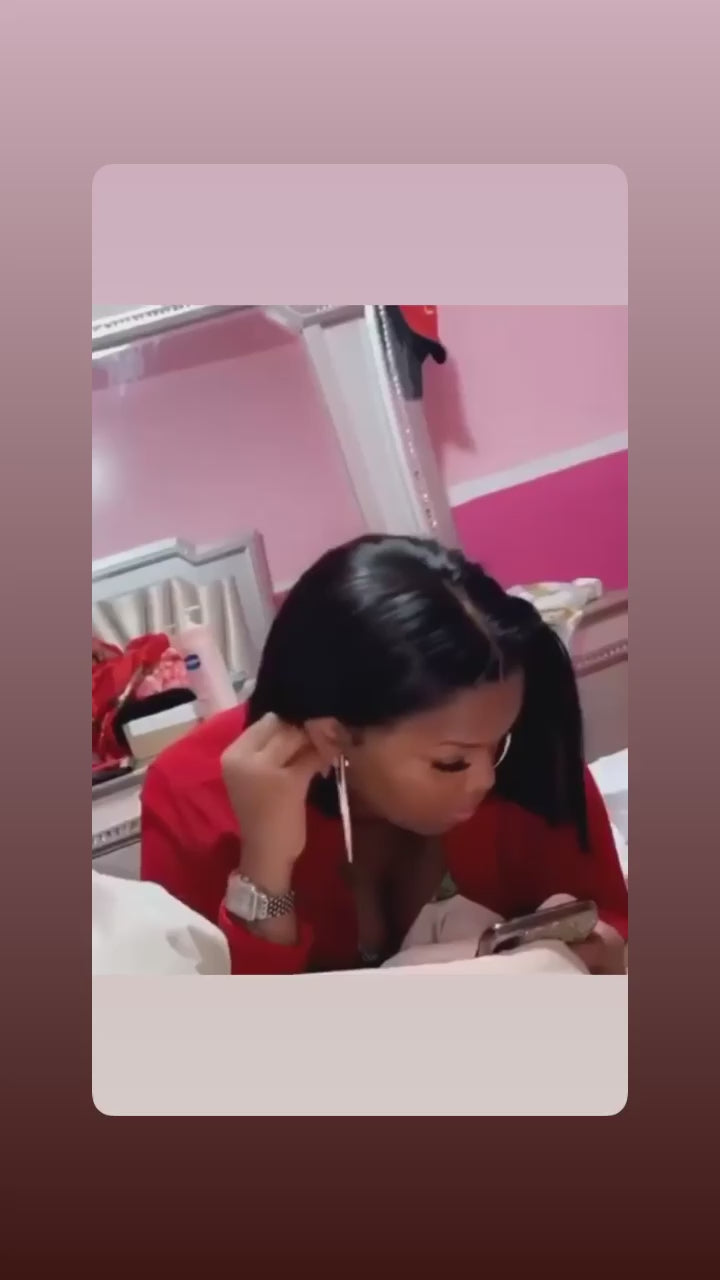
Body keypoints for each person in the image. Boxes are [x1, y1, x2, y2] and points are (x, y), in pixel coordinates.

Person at [141, 536, 628, 975]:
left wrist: (594, 949)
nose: (486, 778)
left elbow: (611, 917)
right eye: (452, 762)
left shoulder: (519, 741)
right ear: (333, 736)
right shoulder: (191, 793)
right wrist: (265, 868)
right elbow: (211, 1025)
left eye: (500, 741)